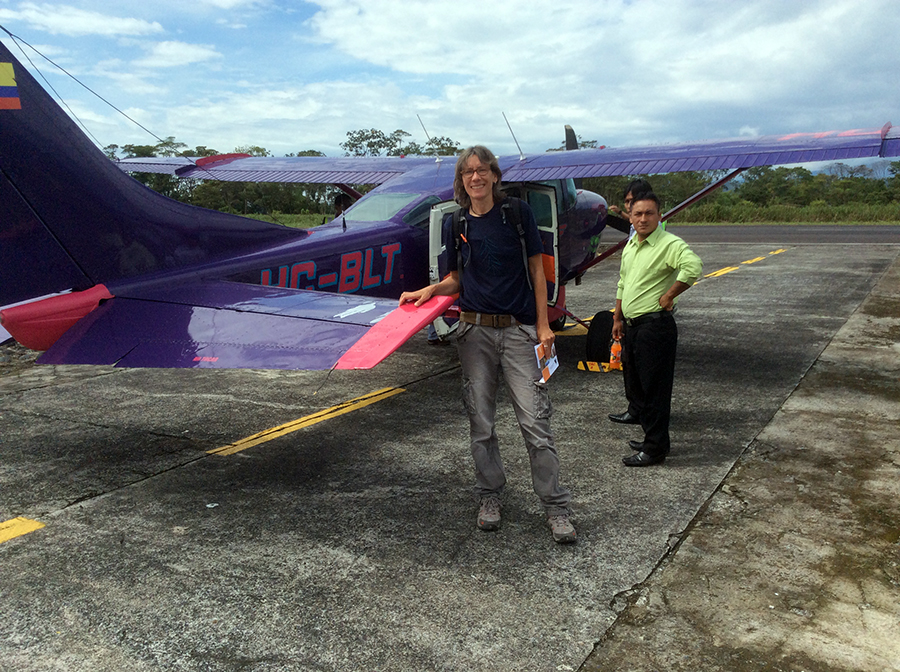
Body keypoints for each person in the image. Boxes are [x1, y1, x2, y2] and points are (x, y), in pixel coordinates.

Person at [399, 146, 576, 543]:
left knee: (535, 423)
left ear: (495, 175)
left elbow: (538, 271)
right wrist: (430, 290)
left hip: (518, 332)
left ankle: (555, 506)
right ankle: (489, 496)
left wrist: (543, 325)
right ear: (461, 180)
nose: (475, 177)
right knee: (481, 424)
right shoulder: (457, 222)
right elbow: (456, 279)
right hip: (474, 332)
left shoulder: (518, 214)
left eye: (482, 170)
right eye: (467, 172)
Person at [610, 193, 702, 467]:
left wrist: (670, 295)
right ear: (630, 217)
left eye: (649, 213)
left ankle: (655, 449)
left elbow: (693, 267)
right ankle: (654, 438)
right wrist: (617, 317)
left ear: (659, 216)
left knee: (655, 390)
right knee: (638, 386)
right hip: (633, 326)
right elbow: (623, 282)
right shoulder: (631, 245)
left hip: (655, 326)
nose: (643, 219)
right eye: (637, 214)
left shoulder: (669, 244)